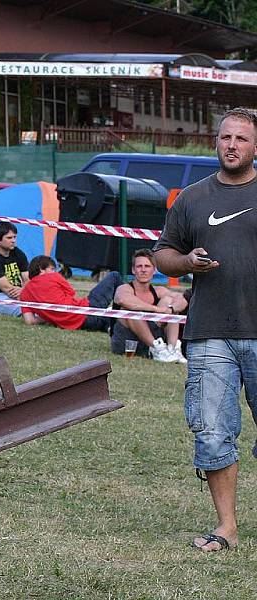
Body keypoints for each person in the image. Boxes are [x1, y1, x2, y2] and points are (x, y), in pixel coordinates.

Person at [154, 107, 257, 553]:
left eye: (241, 139)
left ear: (255, 147)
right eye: (225, 137)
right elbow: (162, 256)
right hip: (209, 332)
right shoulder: (193, 198)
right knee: (213, 430)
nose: (231, 145)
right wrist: (185, 263)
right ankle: (226, 528)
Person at [110, 248, 187, 363]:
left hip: (154, 336)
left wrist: (170, 309)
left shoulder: (159, 291)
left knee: (168, 301)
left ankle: (173, 349)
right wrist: (157, 310)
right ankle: (158, 349)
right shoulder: (124, 288)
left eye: (147, 266)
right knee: (130, 310)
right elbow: (122, 300)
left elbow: (182, 298)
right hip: (127, 343)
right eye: (139, 266)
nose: (143, 270)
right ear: (133, 270)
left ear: (154, 270)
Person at [20, 255, 123, 331]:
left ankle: (111, 323)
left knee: (105, 319)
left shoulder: (24, 294)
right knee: (114, 276)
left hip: (81, 325)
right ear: (41, 269)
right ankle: (128, 311)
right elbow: (71, 293)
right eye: (52, 269)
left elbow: (29, 320)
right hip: (86, 310)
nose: (54, 271)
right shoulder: (53, 276)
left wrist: (50, 318)